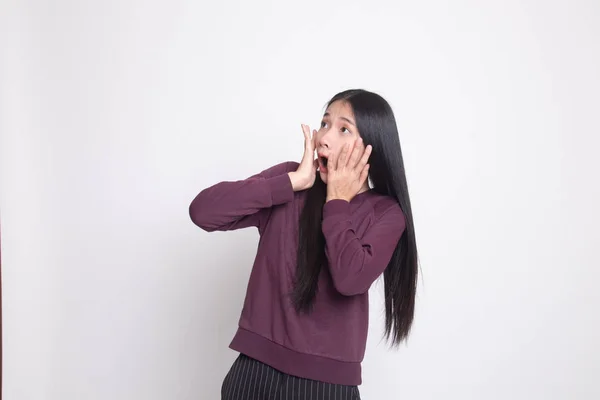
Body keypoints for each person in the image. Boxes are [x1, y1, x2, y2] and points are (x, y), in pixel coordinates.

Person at [189, 89, 418, 400]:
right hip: (253, 373)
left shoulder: (386, 214)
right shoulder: (289, 182)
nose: (324, 137)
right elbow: (203, 212)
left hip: (325, 386)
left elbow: (350, 279)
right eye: (324, 124)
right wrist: (290, 183)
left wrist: (337, 199)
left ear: (370, 148)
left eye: (343, 129)